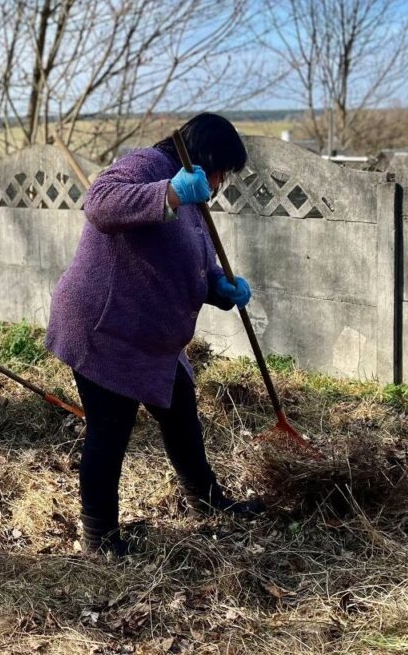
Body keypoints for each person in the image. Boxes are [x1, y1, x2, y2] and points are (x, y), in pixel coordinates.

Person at [45, 112, 263, 556]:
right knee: (110, 429)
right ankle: (100, 538)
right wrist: (170, 192)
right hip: (106, 329)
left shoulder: (195, 199)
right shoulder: (147, 165)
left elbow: (188, 260)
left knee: (181, 413)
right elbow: (99, 203)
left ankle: (207, 501)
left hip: (149, 337)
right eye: (222, 172)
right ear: (207, 157)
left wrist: (218, 286)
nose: (220, 183)